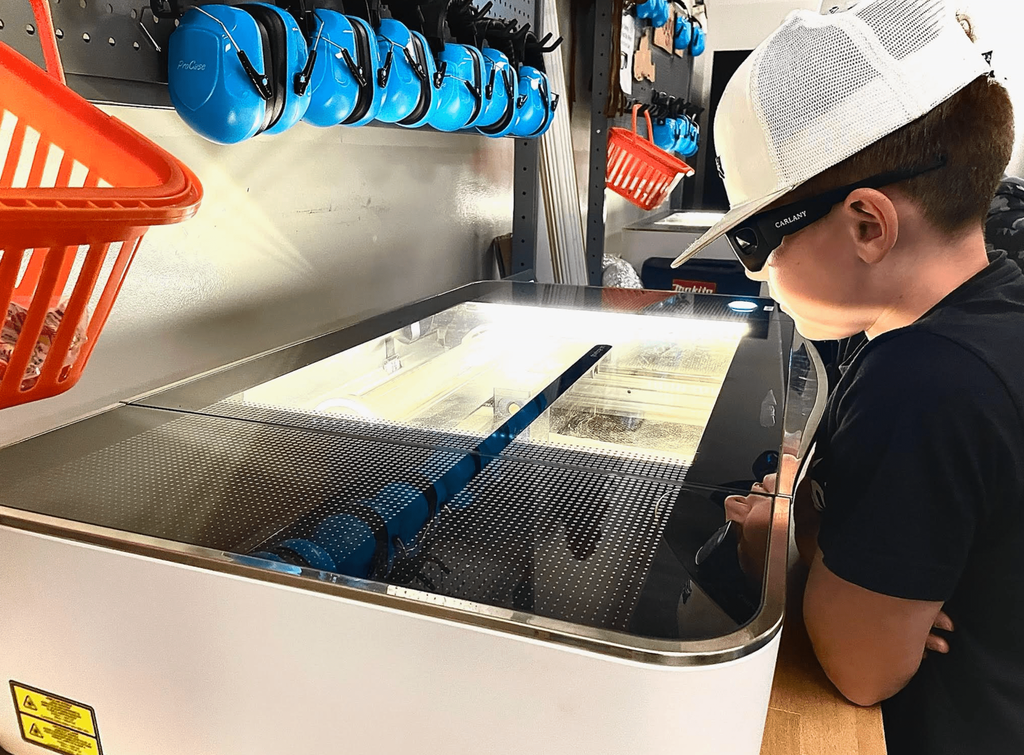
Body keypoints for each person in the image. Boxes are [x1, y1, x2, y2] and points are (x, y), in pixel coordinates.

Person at [669, 2, 1023, 753]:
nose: (756, 272)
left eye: (755, 238)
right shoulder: (988, 310)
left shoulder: (925, 380)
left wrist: (777, 545)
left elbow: (862, 667)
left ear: (868, 224)